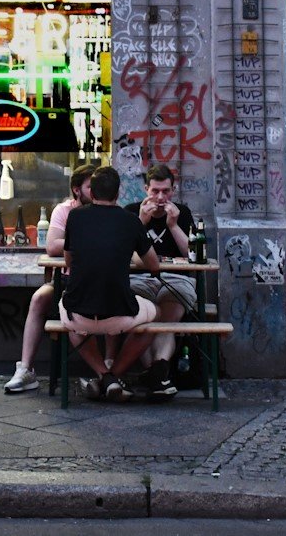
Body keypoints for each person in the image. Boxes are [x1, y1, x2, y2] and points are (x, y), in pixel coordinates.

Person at [59, 166, 161, 403]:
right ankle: (113, 376)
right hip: (119, 315)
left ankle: (104, 376)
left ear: (92, 193)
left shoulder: (75, 217)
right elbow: (154, 266)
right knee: (155, 315)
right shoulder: (131, 221)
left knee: (70, 320)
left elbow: (68, 260)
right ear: (118, 194)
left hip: (80, 312)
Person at [4, 163, 98, 394]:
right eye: (90, 186)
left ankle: (106, 372)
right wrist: (93, 243)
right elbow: (52, 246)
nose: (96, 191)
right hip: (66, 281)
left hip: (98, 283)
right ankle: (26, 369)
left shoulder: (106, 209)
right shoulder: (64, 210)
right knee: (38, 299)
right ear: (77, 190)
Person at [123, 164, 196, 400]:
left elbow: (192, 255)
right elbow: (121, 253)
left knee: (168, 317)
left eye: (165, 191)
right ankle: (159, 375)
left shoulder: (181, 213)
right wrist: (140, 223)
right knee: (145, 316)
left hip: (175, 280)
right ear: (146, 189)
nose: (160, 198)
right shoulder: (132, 212)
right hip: (140, 279)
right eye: (155, 191)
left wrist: (173, 226)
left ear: (173, 191)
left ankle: (156, 371)